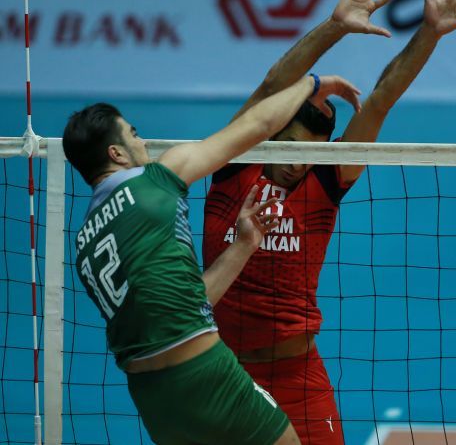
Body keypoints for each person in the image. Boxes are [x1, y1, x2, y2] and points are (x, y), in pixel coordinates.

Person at [203, 0, 456, 444]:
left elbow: (379, 101)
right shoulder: (234, 166)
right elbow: (272, 85)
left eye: (310, 153)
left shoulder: (324, 182)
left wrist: (429, 33)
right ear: (269, 133)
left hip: (296, 376)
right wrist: (335, 27)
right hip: (223, 371)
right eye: (291, 148)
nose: (298, 164)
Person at [63, 70, 361, 445]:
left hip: (152, 398)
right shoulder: (155, 180)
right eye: (134, 134)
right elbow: (260, 123)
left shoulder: (85, 244)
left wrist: (243, 245)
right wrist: (311, 84)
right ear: (116, 153)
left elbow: (188, 304)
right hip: (203, 370)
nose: (143, 142)